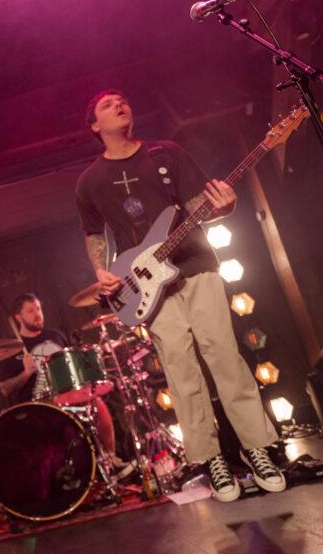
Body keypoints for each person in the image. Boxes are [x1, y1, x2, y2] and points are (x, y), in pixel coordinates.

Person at [76, 89, 285, 502]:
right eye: (107, 104)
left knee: (223, 356)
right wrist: (101, 270)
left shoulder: (165, 153)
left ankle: (257, 447)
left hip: (196, 265)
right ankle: (211, 459)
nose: (120, 104)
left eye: (122, 99)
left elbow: (196, 205)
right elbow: (93, 233)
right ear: (94, 126)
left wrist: (224, 206)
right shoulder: (89, 181)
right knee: (181, 371)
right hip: (146, 285)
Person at [0, 292, 116, 455]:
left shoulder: (55, 335)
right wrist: (26, 373)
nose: (37, 314)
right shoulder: (13, 348)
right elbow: (5, 389)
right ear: (18, 317)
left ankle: (110, 458)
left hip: (67, 395)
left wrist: (96, 354)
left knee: (97, 403)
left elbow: (74, 365)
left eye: (38, 309)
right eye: (30, 311)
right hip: (38, 405)